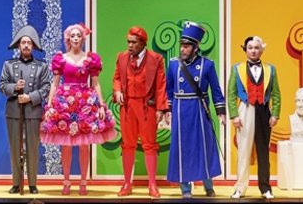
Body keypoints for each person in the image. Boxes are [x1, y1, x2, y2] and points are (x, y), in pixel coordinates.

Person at [40, 22, 117, 196]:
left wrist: (101, 105)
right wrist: (50, 104)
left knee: (84, 145)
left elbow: (95, 84)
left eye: (78, 36)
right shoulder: (60, 58)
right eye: (72, 36)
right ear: (68, 39)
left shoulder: (91, 59)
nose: (75, 38)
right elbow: (55, 84)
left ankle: (83, 182)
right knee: (66, 145)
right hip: (64, 104)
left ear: (83, 39)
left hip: (85, 103)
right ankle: (66, 181)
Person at [165, 21, 225, 199]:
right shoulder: (173, 64)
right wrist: (168, 110)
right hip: (180, 110)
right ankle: (185, 188)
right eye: (182, 46)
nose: (183, 50)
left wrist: (221, 112)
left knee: (204, 147)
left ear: (195, 48)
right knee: (182, 148)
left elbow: (216, 89)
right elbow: (169, 88)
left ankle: (208, 186)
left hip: (199, 110)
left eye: (186, 47)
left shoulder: (207, 65)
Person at [112, 26, 168, 198]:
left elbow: (160, 85)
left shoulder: (156, 59)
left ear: (143, 43)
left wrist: (160, 108)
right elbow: (116, 78)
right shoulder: (122, 57)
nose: (130, 45)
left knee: (149, 144)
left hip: (146, 106)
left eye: (133, 42)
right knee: (127, 144)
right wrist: (117, 90)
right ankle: (127, 183)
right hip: (128, 106)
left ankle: (152, 184)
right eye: (128, 42)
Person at [0, 24, 52, 195]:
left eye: (29, 42)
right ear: (19, 45)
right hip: (14, 112)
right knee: (15, 148)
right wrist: (15, 87)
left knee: (32, 149)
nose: (26, 45)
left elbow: (46, 88)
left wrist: (30, 97)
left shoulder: (42, 66)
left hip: (33, 112)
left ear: (33, 45)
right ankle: (16, 182)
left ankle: (33, 184)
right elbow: (2, 85)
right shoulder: (9, 65)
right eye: (23, 43)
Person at [227, 35, 281, 199]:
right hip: (245, 108)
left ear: (261, 50)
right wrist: (234, 115)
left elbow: (276, 94)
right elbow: (231, 93)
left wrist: (275, 113)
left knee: (264, 151)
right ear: (245, 49)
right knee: (243, 150)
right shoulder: (237, 69)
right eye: (250, 48)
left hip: (264, 110)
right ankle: (240, 187)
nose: (253, 51)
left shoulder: (271, 69)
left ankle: (265, 188)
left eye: (256, 48)